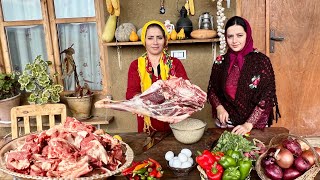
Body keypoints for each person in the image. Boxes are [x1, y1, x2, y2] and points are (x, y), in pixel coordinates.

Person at [207, 16, 280, 135]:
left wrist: (248, 124)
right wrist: (219, 108)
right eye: (230, 36)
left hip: (255, 124)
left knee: (255, 152)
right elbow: (212, 91)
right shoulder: (220, 62)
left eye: (239, 35)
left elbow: (267, 96)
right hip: (227, 122)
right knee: (225, 153)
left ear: (248, 35)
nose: (234, 41)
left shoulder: (261, 61)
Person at [126, 20, 189, 133]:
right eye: (150, 38)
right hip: (146, 125)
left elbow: (185, 90)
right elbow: (131, 92)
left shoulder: (175, 64)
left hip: (173, 125)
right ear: (144, 40)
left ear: (165, 40)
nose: (155, 42)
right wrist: (138, 101)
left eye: (159, 37)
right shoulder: (135, 65)